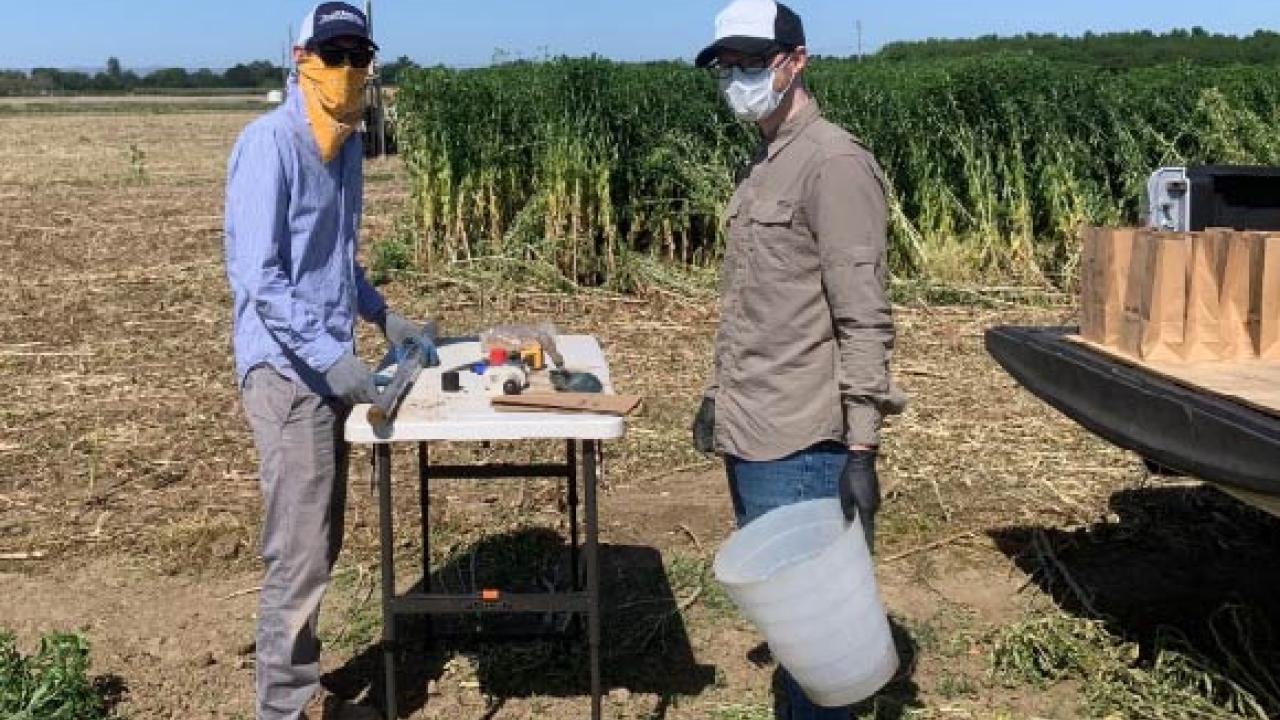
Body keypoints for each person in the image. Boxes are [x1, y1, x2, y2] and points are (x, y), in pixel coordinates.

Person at [691, 0, 907, 717]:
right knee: (789, 632)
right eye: (727, 67)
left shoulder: (834, 164)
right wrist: (719, 393)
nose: (738, 78)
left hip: (804, 444)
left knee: (818, 647)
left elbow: (863, 313)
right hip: (751, 429)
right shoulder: (765, 160)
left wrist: (862, 445)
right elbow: (760, 300)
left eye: (753, 62)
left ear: (797, 60)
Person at [223, 3, 427, 718]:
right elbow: (263, 279)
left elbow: (336, 264)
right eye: (333, 55)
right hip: (285, 374)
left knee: (323, 537)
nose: (347, 71)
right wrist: (330, 359)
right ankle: (284, 707)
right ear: (301, 58)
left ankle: (302, 682)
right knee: (299, 549)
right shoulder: (268, 145)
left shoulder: (342, 149)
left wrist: (382, 314)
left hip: (330, 364)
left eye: (358, 58)